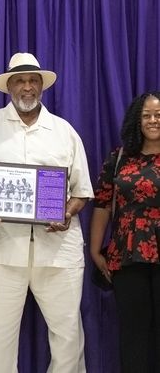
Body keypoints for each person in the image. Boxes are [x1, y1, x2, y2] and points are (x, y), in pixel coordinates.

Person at [0, 52, 93, 372]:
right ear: (9, 86)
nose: (26, 87)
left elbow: (82, 191)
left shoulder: (64, 131)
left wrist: (66, 212)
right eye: (19, 81)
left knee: (68, 339)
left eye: (32, 80)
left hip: (58, 250)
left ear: (41, 86)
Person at [90, 92, 160, 373]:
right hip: (127, 256)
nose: (153, 120)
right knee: (133, 334)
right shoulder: (119, 157)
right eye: (146, 115)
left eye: (158, 115)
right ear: (136, 119)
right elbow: (103, 204)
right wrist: (95, 250)